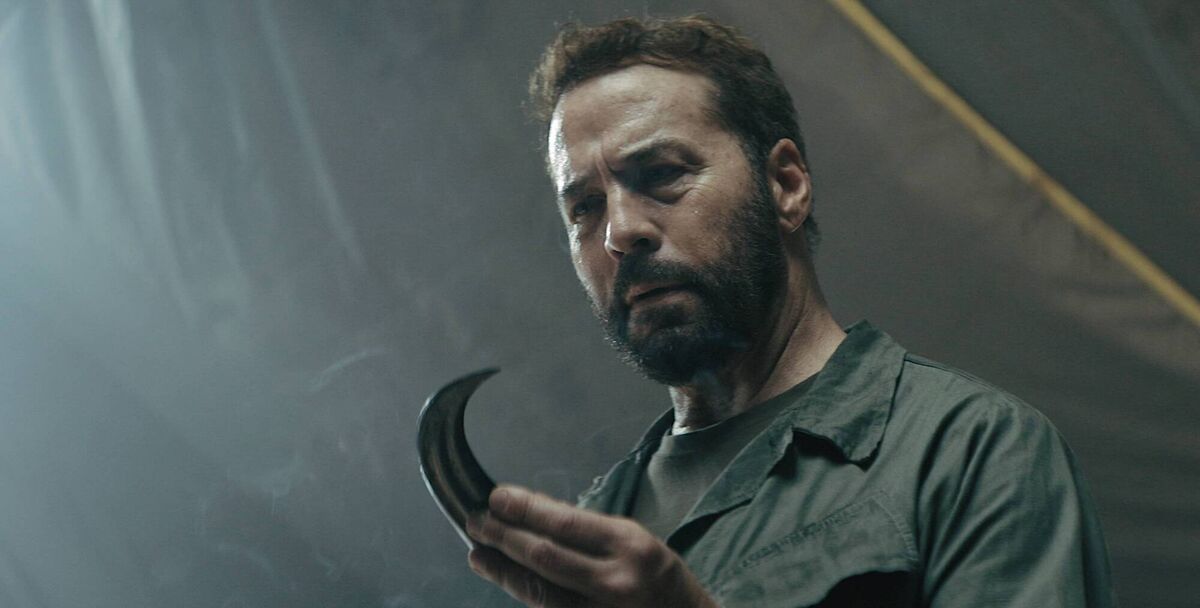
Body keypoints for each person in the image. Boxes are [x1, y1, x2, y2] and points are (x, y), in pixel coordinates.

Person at [464, 15, 1115, 607]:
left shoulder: (970, 449)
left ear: (786, 185)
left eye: (660, 173)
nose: (619, 232)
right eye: (585, 207)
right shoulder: (585, 536)